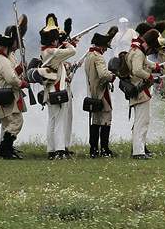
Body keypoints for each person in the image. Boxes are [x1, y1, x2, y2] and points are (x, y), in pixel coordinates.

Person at [39, 14, 78, 160]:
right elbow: (73, 51)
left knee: (52, 120)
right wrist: (67, 43)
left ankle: (51, 149)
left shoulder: (45, 50)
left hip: (50, 90)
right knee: (59, 121)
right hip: (57, 90)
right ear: (53, 39)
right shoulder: (53, 52)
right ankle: (60, 150)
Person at [0, 18, 29, 160]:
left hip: (2, 93)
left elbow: (11, 73)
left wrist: (20, 68)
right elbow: (11, 79)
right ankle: (4, 149)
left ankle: (7, 148)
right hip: (7, 94)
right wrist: (22, 84)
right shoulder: (2, 60)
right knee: (17, 122)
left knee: (9, 123)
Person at [127, 28, 165, 160]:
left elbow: (144, 62)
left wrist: (156, 66)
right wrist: (150, 77)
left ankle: (140, 149)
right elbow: (137, 69)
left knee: (142, 121)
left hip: (139, 88)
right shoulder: (138, 52)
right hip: (140, 88)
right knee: (141, 122)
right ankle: (138, 151)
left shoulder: (137, 50)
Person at [84, 27, 118, 158]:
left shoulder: (89, 55)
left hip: (92, 92)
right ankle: (104, 149)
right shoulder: (98, 57)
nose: (105, 50)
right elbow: (103, 75)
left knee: (95, 121)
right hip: (101, 91)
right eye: (105, 47)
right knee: (105, 119)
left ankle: (93, 149)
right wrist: (112, 76)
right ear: (102, 46)